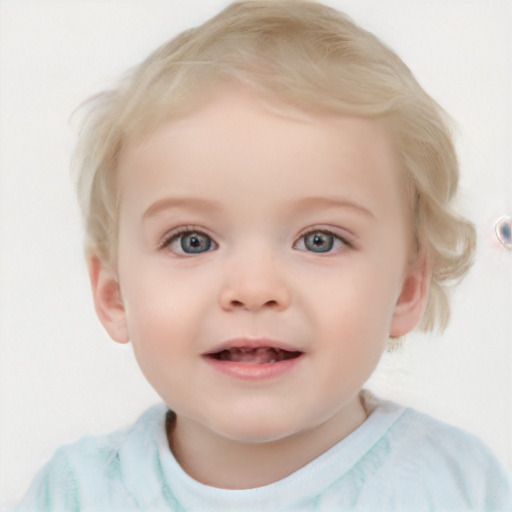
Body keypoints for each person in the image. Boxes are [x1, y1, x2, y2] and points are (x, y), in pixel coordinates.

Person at [14, 1, 512, 510]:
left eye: (320, 240)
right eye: (193, 241)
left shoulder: (456, 488)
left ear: (407, 288)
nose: (254, 289)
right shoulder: (73, 495)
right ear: (115, 294)